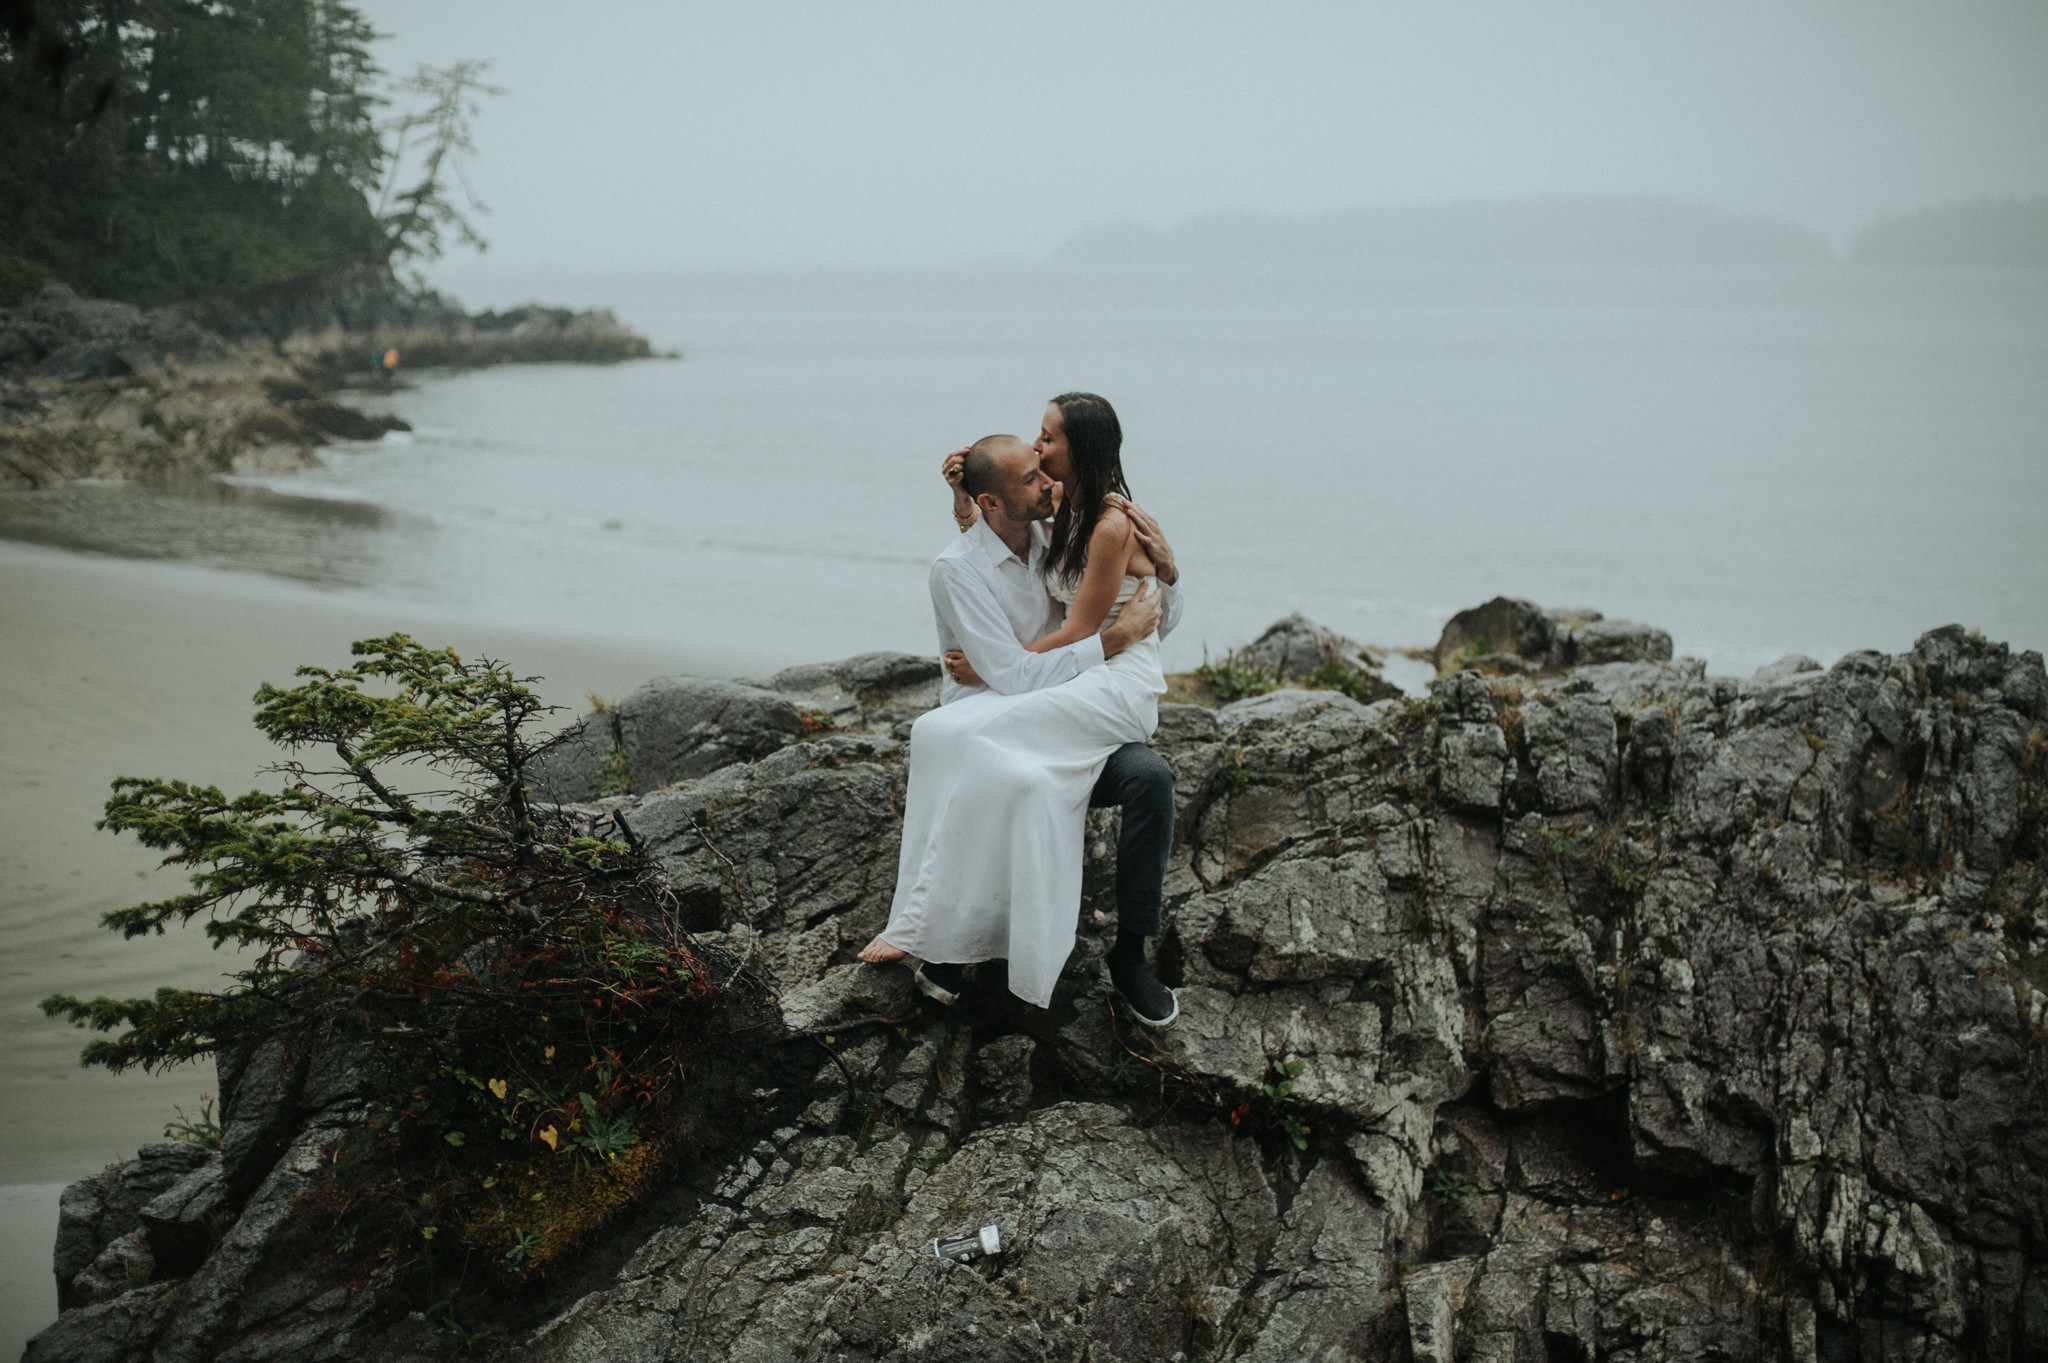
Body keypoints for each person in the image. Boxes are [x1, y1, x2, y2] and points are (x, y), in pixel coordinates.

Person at [859, 392, 1185, 1027]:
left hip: (1084, 694)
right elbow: (1022, 664)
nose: (1039, 456)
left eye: (1046, 444)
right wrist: (1013, 660)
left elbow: (1136, 614)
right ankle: (948, 940)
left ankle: (1130, 956)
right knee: (981, 757)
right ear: (990, 504)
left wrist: (1170, 573)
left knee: (1150, 778)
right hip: (1028, 699)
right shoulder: (962, 567)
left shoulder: (1056, 518)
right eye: (1031, 462)